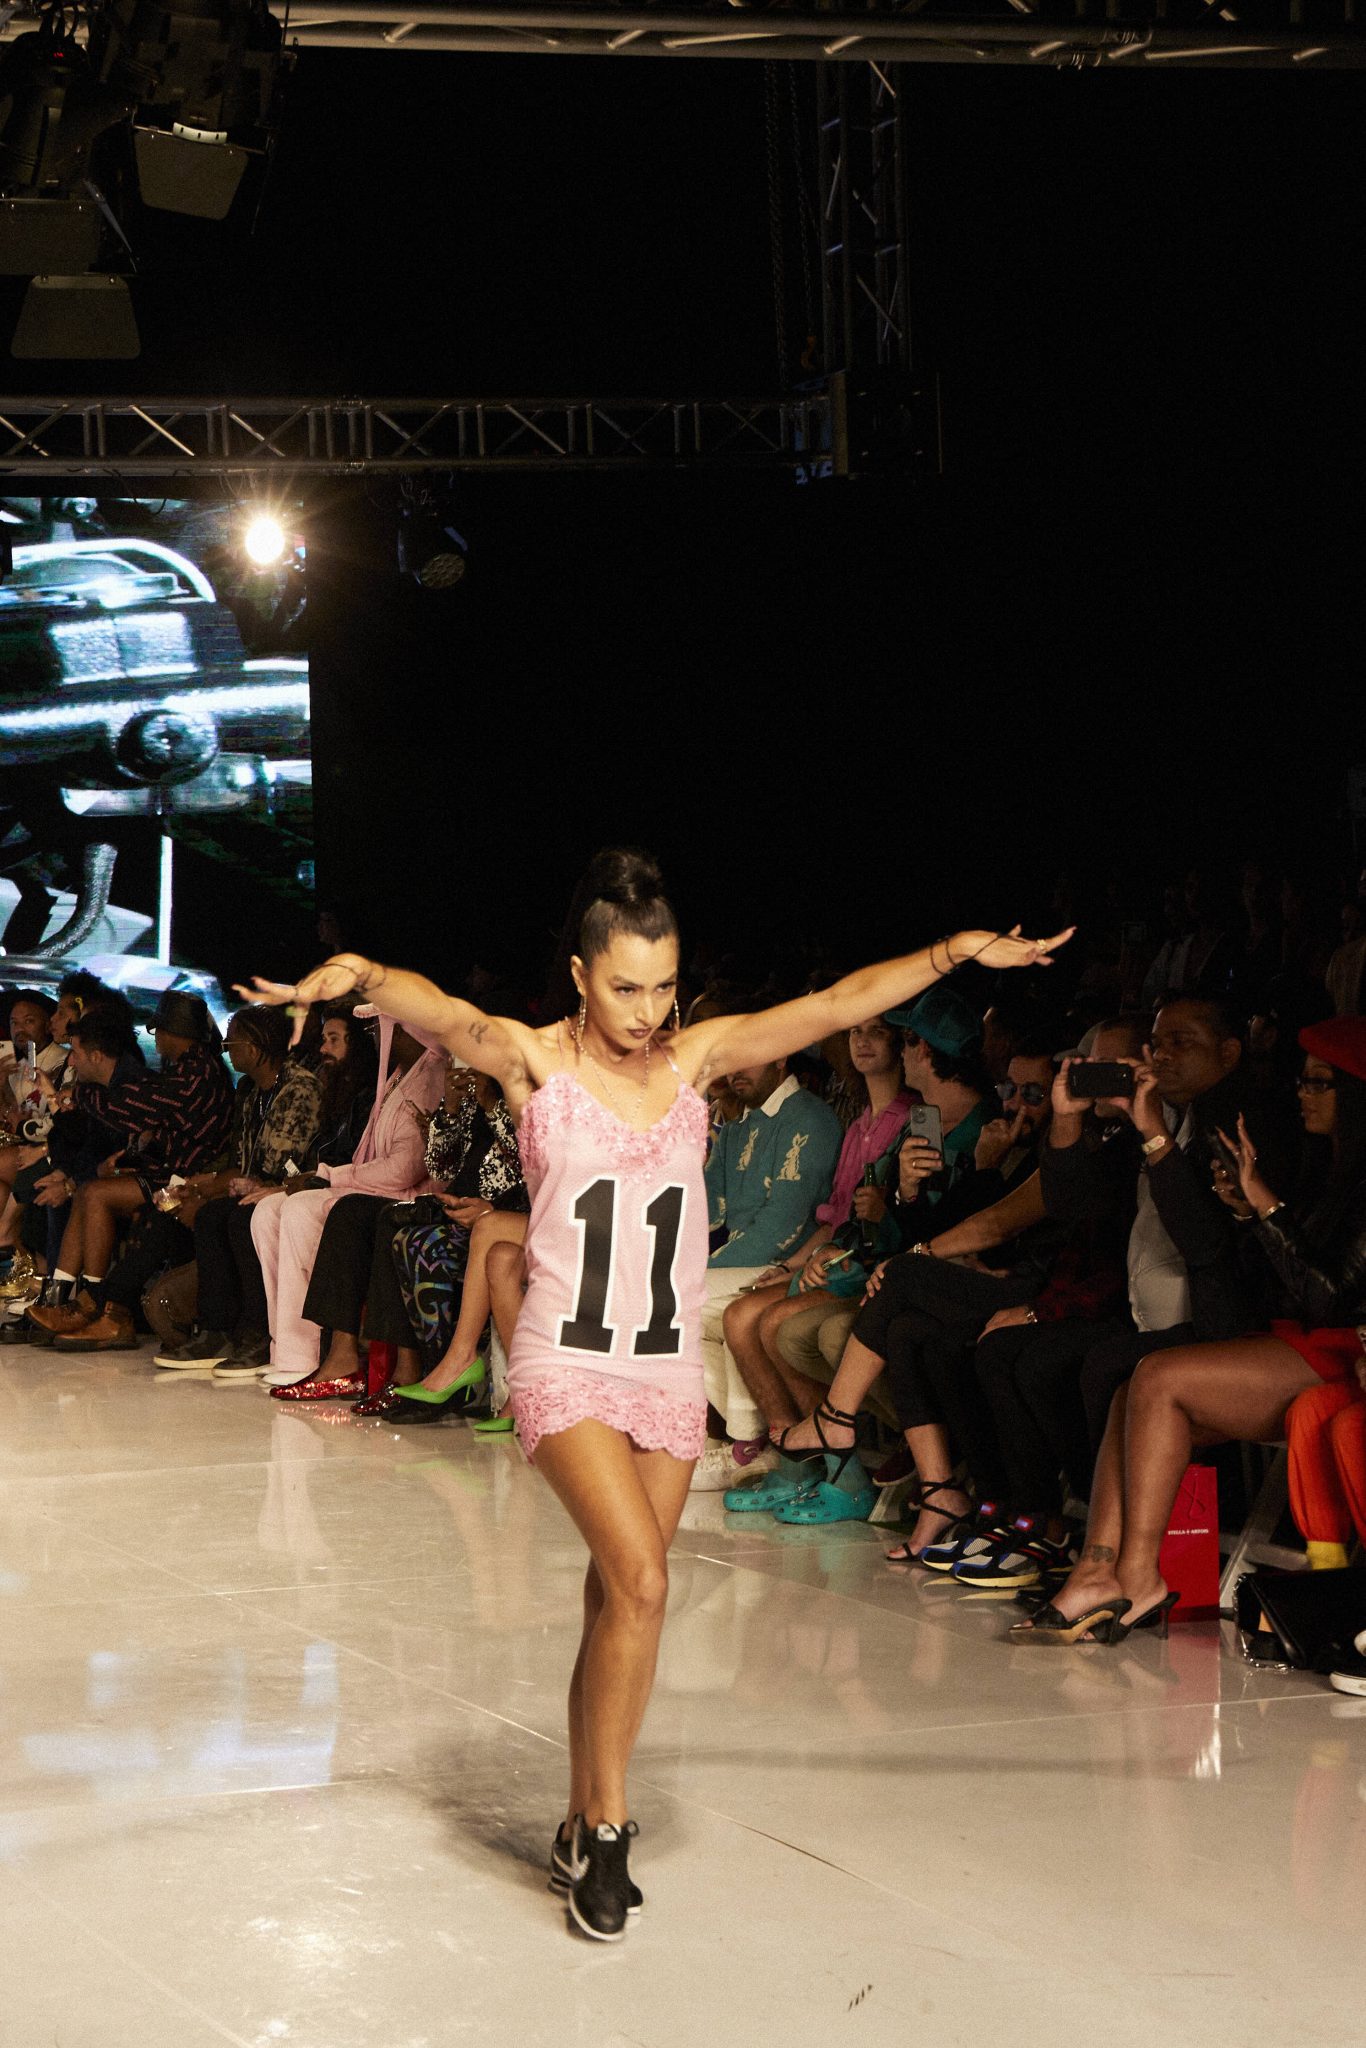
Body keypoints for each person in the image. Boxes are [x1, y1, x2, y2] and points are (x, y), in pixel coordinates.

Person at [241, 845, 1070, 1941]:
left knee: (617, 1597)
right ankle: (609, 1827)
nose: (647, 1011)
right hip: (563, 1359)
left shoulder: (696, 1059)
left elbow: (832, 1005)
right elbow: (443, 1011)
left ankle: (581, 1815)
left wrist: (951, 951)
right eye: (626, 987)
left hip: (665, 1365)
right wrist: (359, 973)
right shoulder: (533, 1059)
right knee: (642, 1579)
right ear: (581, 976)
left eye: (664, 986)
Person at [1017, 1014, 1366, 1645]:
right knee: (1129, 1388)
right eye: (1303, 1080)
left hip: (1344, 1351)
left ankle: (1136, 1574)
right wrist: (1252, 1214)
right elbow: (1286, 1276)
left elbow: (1331, 1300)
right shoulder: (1329, 1162)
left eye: (1320, 1083)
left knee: (1155, 1375)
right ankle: (1096, 1568)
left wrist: (1264, 1206)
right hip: (1295, 1339)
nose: (1302, 1093)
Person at [248, 1015, 444, 1393]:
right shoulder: (401, 1073)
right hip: (379, 1188)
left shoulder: (432, 1075)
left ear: (402, 1028)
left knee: (302, 1209)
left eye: (376, 1028)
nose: (373, 1036)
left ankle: (311, 1354)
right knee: (267, 1211)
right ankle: (288, 1348)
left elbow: (405, 1169)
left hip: (406, 1195)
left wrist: (331, 1176)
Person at [26, 993, 234, 1349]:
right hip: (170, 1173)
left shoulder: (197, 1072)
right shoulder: (188, 1068)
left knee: (96, 1193)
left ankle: (94, 1306)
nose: (157, 1039)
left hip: (186, 1179)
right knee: (91, 1191)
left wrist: (78, 1097)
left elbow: (135, 1110)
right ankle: (72, 1302)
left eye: (159, 1031)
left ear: (174, 1032)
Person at [690, 1031, 843, 1489]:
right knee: (666, 1299)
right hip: (746, 1261)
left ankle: (748, 1441)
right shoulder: (740, 1123)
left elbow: (783, 1226)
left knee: (678, 1300)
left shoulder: (809, 1118)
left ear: (781, 1058)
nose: (736, 1071)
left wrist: (696, 1272)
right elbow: (705, 1208)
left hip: (790, 1262)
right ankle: (738, 1437)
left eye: (749, 1058)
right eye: (730, 1060)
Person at [152, 1006, 324, 1371]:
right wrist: (203, 1187)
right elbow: (243, 1162)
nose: (226, 1049)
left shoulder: (299, 1087)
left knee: (238, 1218)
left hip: (295, 1188)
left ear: (257, 1047)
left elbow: (283, 1164)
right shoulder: (249, 1091)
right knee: (210, 1216)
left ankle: (257, 1332)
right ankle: (217, 1330)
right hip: (256, 1187)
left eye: (233, 1042)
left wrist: (236, 1185)